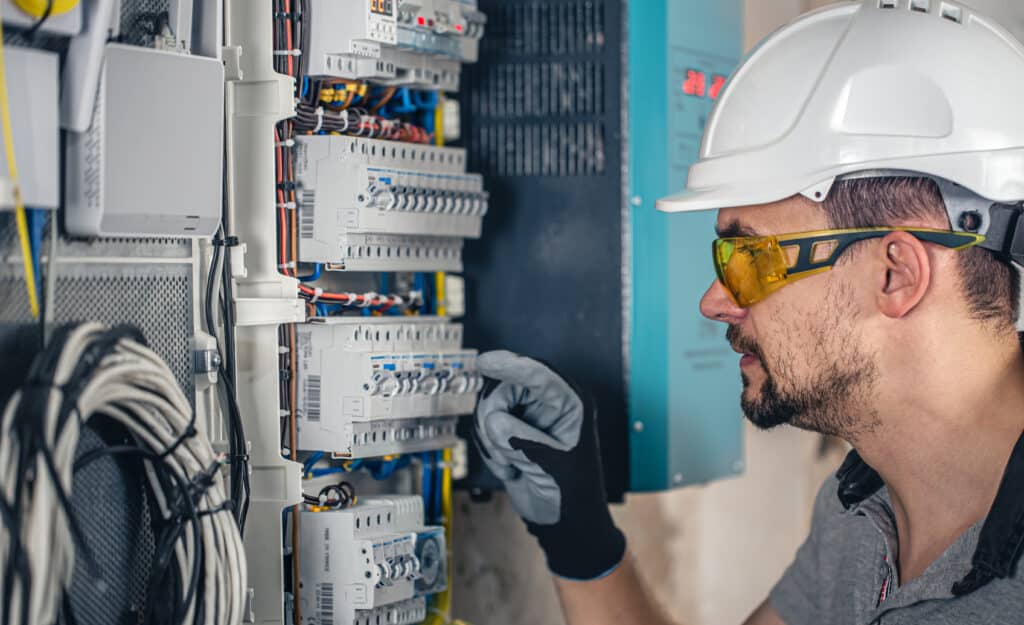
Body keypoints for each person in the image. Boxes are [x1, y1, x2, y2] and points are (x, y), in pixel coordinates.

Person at [473, 2, 1024, 624]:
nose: (715, 301)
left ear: (895, 275)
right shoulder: (861, 511)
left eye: (749, 258)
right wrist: (580, 536)